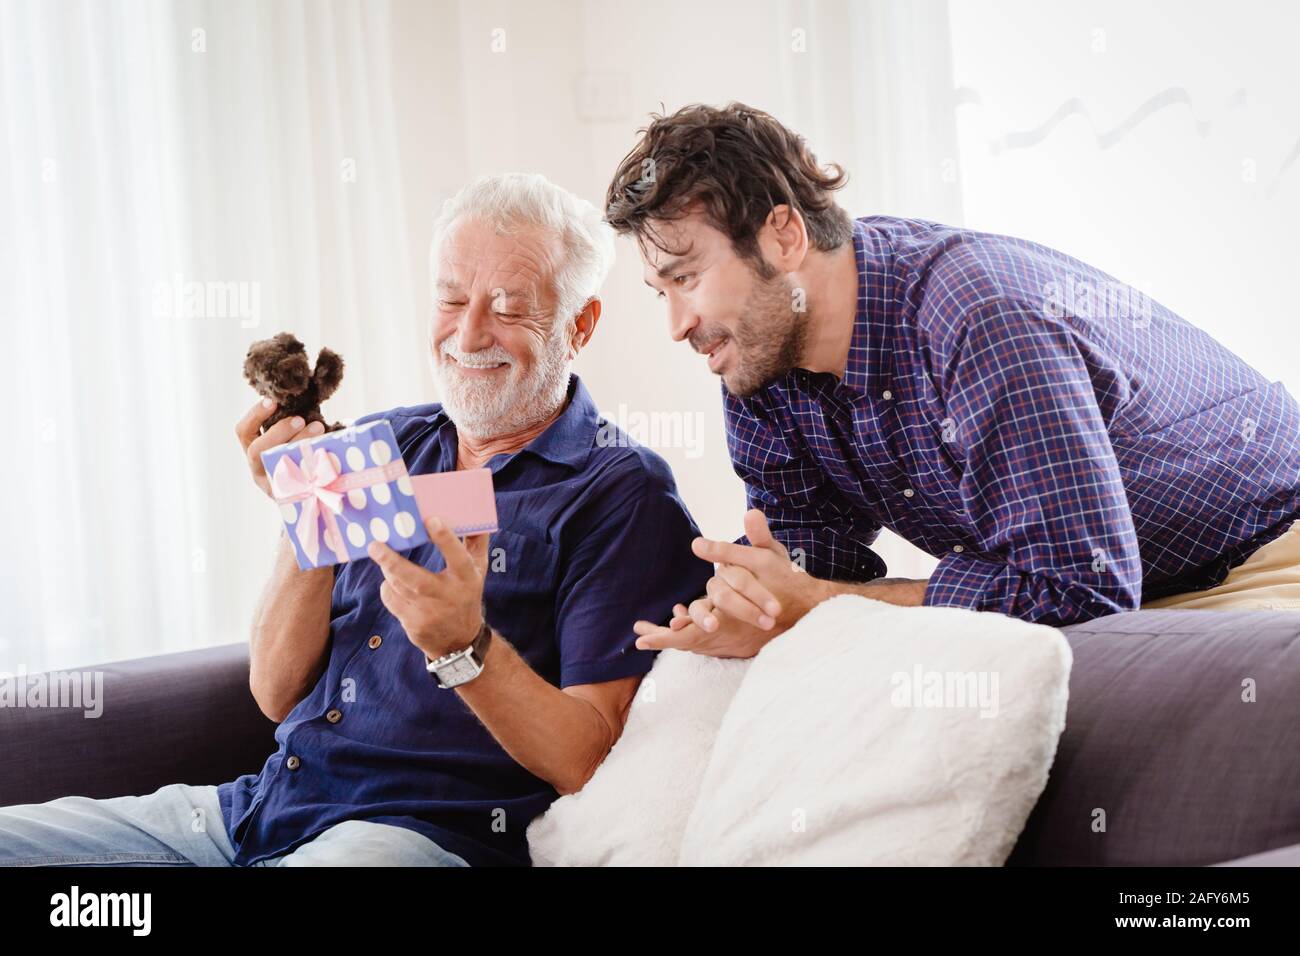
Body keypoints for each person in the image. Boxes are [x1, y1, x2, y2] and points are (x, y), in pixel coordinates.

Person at [0, 173, 711, 866]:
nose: (468, 333)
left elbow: (586, 758)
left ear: (579, 324)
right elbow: (276, 693)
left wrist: (463, 647)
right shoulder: (383, 443)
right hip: (257, 814)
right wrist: (301, 513)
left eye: (507, 306)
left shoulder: (622, 492)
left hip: (413, 835)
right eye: (452, 299)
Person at [601, 103, 1300, 659]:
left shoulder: (974, 319)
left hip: (1262, 555)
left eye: (686, 278)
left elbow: (1079, 594)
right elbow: (812, 555)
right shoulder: (760, 360)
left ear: (783, 238)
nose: (677, 324)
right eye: (661, 291)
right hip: (1128, 589)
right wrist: (749, 600)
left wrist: (821, 604)